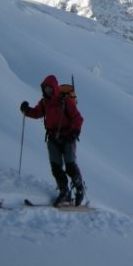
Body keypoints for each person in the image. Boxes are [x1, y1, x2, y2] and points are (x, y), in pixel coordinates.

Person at [20, 75, 86, 206]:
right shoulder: (44, 103)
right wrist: (26, 111)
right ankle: (64, 192)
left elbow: (78, 118)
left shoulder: (65, 101)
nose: (47, 91)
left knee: (70, 166)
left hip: (68, 137)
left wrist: (75, 131)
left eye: (49, 88)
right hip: (53, 138)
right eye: (45, 89)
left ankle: (79, 189)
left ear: (55, 88)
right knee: (56, 167)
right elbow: (37, 113)